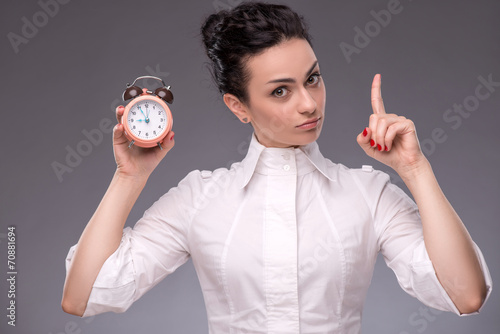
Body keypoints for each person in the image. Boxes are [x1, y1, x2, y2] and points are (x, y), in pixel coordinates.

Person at [61, 2, 492, 333]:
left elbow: (466, 294)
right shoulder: (200, 199)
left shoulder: (368, 194)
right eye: (281, 91)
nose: (308, 103)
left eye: (313, 78)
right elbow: (83, 294)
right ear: (238, 106)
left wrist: (415, 169)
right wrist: (129, 177)